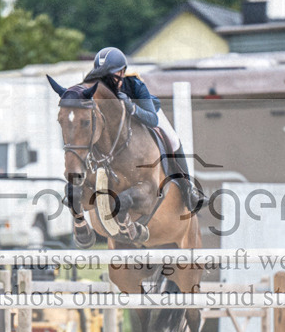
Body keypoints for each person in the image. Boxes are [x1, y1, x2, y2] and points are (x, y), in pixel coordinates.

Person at [84, 47, 204, 211]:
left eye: (111, 77)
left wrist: (132, 108)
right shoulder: (98, 90)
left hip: (147, 112)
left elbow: (152, 119)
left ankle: (188, 188)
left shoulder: (135, 84)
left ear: (122, 72)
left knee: (173, 139)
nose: (107, 83)